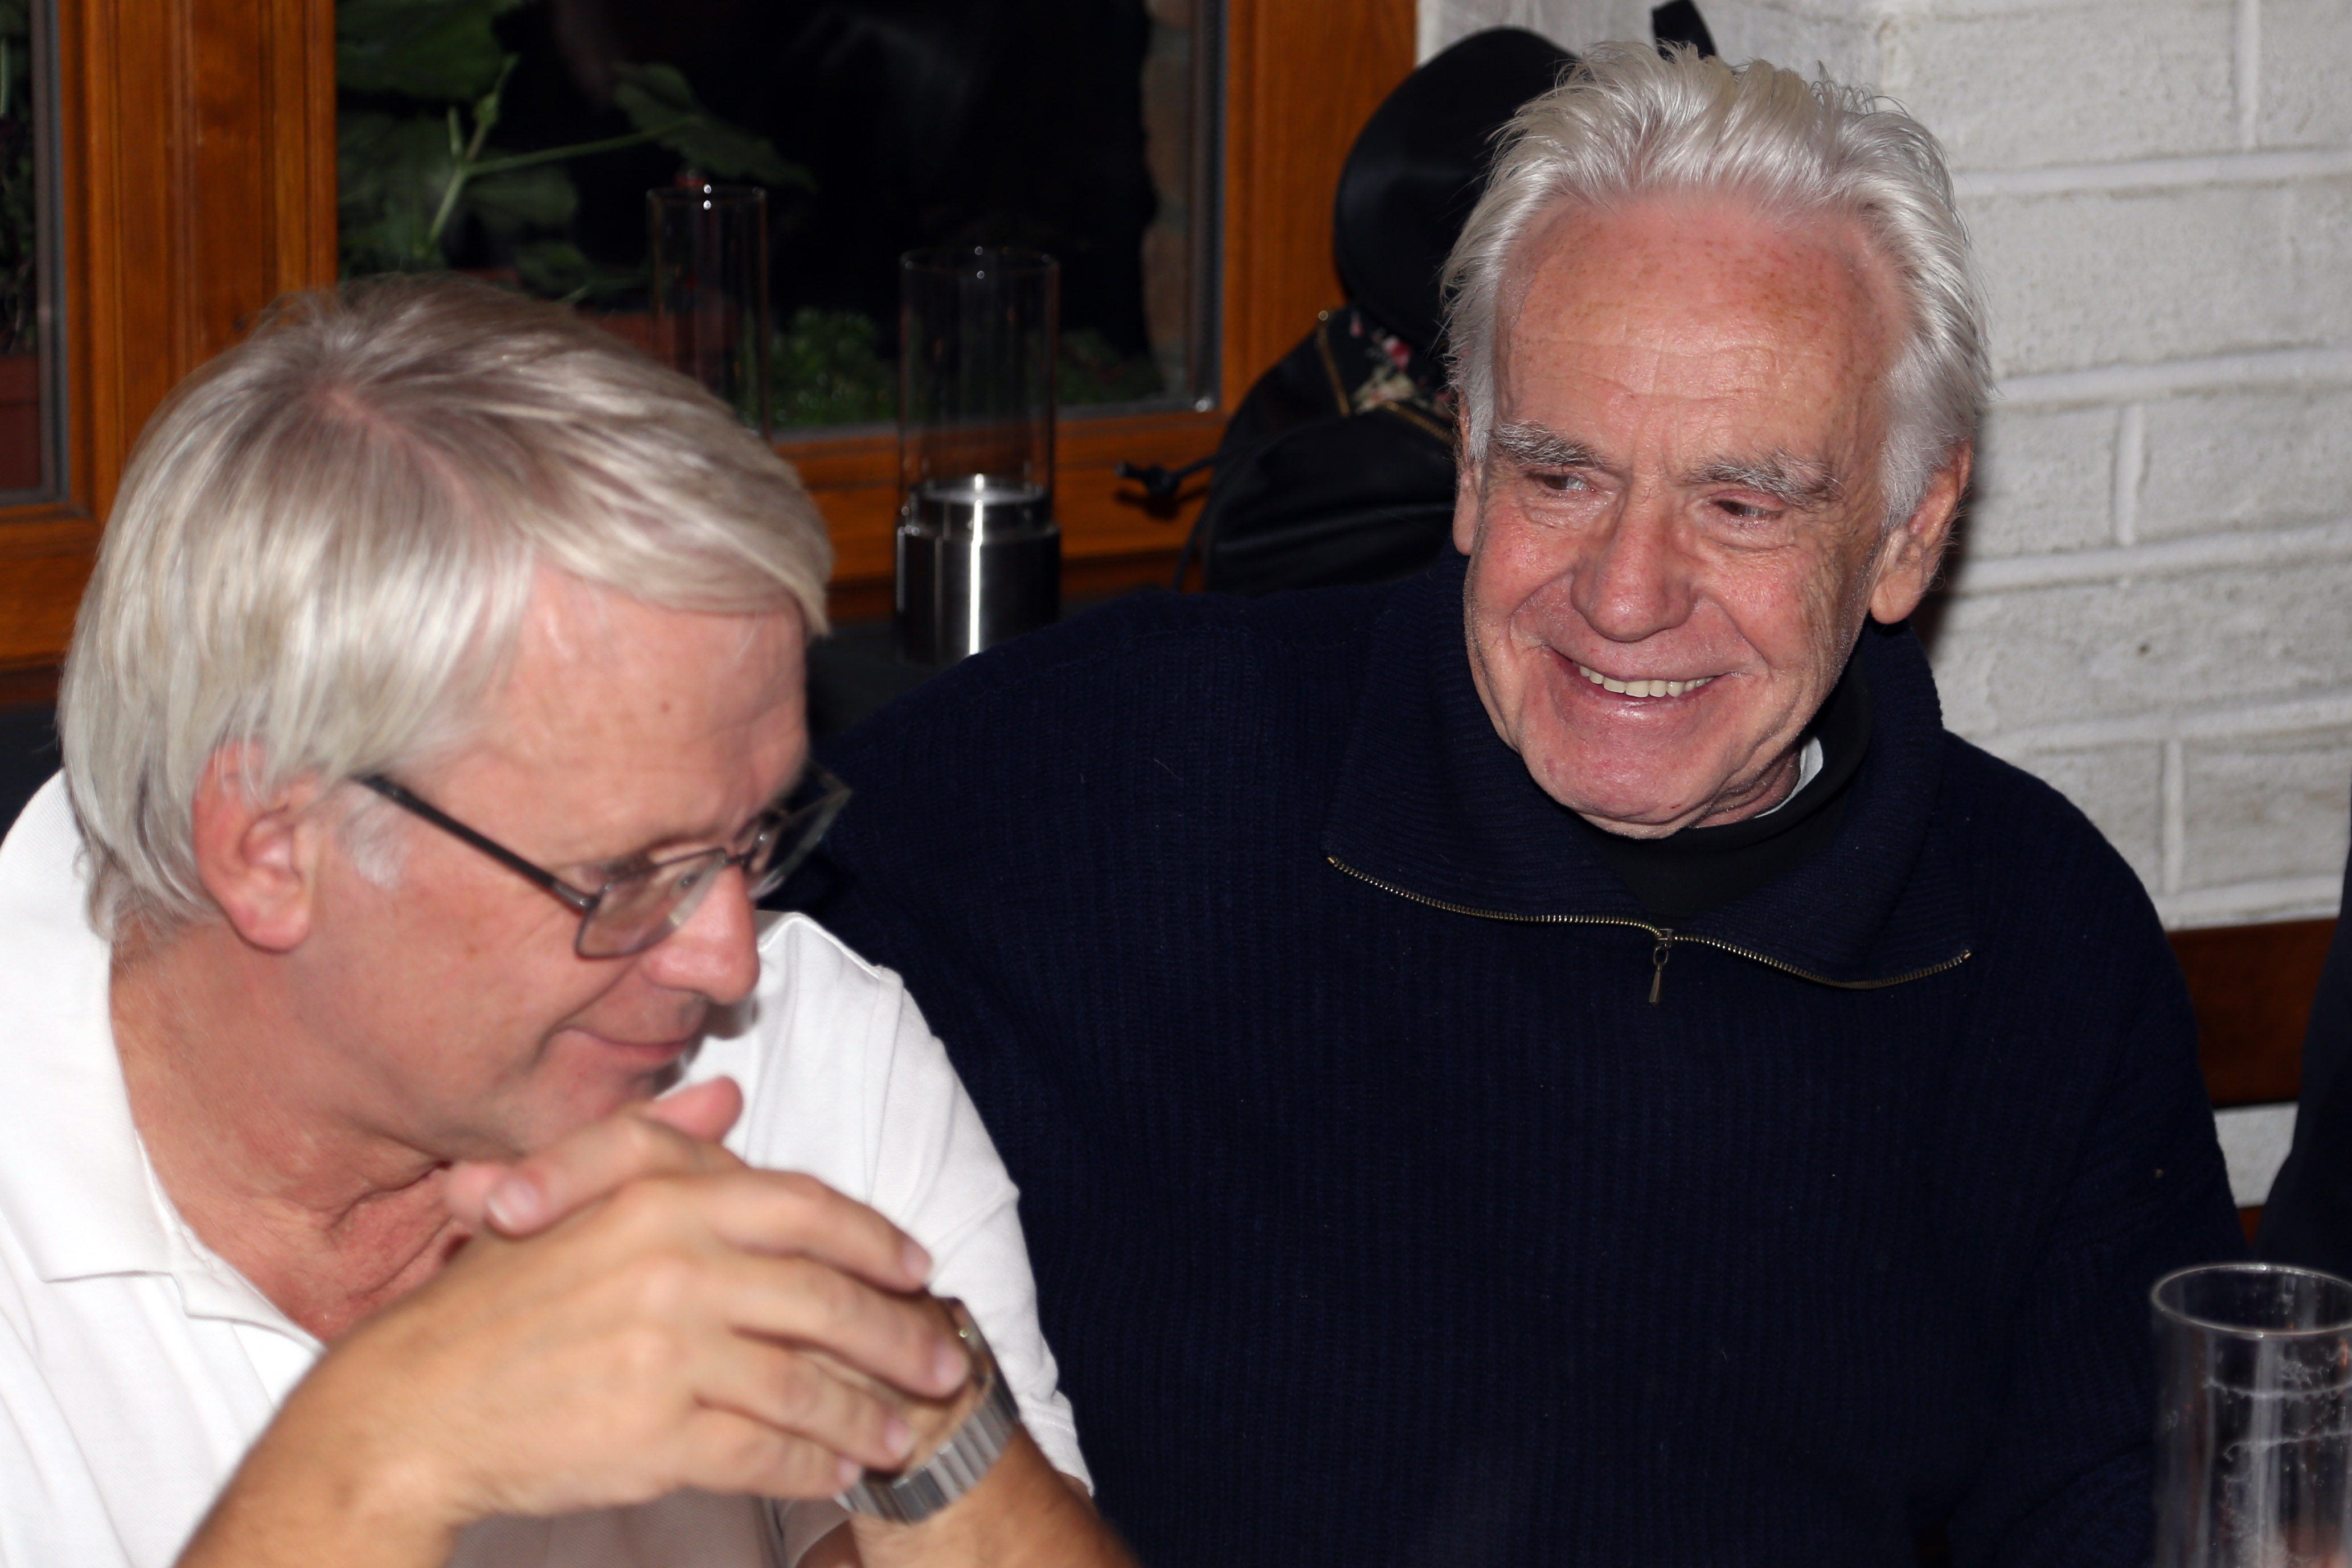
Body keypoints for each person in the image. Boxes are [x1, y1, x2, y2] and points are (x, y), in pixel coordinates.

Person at [797, 44, 2247, 1567]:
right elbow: (685, 950)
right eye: (1561, 479)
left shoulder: (2036, 937)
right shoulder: (1121, 772)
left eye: (1739, 505)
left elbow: (2133, 1511)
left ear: (1908, 531)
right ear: (1470, 467)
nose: (1624, 595)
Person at [0, 277, 1133, 1568]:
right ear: (271, 847)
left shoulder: (806, 1041)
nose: (730, 958)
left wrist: (919, 1407)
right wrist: (374, 1459)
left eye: (754, 833)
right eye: (622, 875)